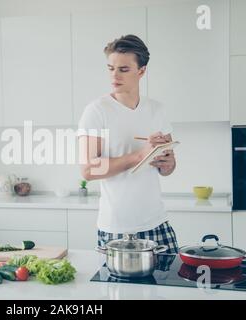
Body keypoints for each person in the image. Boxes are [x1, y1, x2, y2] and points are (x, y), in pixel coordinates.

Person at [77, 34, 179, 253]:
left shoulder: (157, 110)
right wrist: (140, 155)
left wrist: (166, 161)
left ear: (141, 71)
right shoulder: (96, 111)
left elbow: (169, 169)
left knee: (170, 287)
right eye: (110, 68)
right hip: (116, 227)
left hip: (157, 222)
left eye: (123, 69)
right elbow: (88, 169)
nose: (115, 75)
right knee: (118, 289)